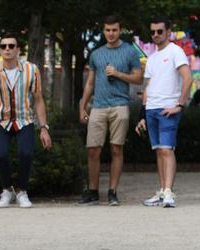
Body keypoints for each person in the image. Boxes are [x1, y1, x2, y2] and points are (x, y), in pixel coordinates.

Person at [77, 16, 143, 206]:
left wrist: (118, 74)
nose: (111, 33)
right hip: (98, 106)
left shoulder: (129, 51)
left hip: (120, 105)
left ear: (120, 30)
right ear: (103, 31)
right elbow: (90, 83)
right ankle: (93, 191)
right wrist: (82, 107)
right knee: (93, 149)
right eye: (108, 30)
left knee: (116, 148)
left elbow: (139, 78)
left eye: (114, 30)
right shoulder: (96, 54)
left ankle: (113, 192)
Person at [0, 33, 52, 208]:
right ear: (0, 50)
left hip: (24, 119)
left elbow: (38, 99)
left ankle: (22, 191)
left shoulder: (31, 70)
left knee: (26, 153)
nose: (7, 49)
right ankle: (7, 190)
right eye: (4, 46)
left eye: (11, 46)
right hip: (0, 119)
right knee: (1, 154)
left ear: (18, 50)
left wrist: (44, 128)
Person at [135, 16, 192, 208]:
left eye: (160, 31)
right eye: (153, 32)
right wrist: (142, 115)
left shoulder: (176, 51)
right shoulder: (152, 58)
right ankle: (161, 192)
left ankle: (169, 192)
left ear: (168, 32)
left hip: (168, 108)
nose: (156, 35)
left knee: (167, 150)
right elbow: (148, 87)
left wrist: (180, 105)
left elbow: (188, 78)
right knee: (159, 151)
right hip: (151, 108)